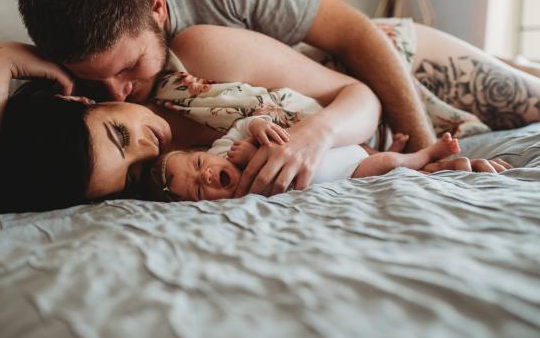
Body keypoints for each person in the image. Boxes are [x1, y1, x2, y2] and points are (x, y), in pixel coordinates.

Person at [0, 0, 539, 232]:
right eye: (92, 79)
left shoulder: (210, 11)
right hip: (333, 109)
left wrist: (429, 153)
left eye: (129, 67)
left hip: (385, 60)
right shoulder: (70, 120)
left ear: (158, 9)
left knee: (526, 95)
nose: (120, 92)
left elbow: (355, 43)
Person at [148, 128, 470, 202]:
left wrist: (256, 136)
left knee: (370, 150)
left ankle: (412, 150)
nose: (205, 175)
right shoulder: (238, 199)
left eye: (199, 162)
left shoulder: (227, 150)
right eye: (199, 191)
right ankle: (419, 156)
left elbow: (253, 126)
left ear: (205, 151)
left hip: (333, 150)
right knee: (384, 164)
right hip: (345, 172)